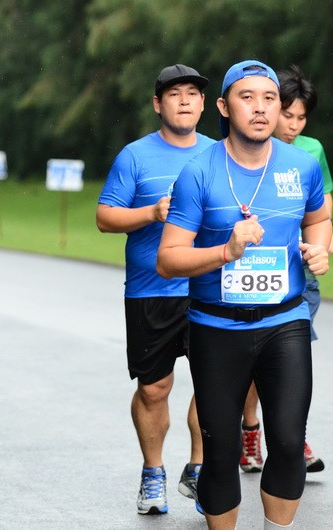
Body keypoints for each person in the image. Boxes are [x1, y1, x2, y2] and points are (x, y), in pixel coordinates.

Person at [157, 60, 331, 529]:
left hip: (285, 322)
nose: (260, 108)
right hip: (216, 327)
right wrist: (226, 251)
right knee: (221, 452)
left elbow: (319, 218)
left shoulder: (302, 165)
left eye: (269, 98)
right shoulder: (199, 172)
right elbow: (168, 259)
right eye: (247, 97)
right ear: (224, 107)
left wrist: (319, 247)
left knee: (289, 442)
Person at [96, 64, 215, 515]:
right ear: (157, 104)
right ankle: (153, 472)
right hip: (152, 291)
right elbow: (105, 217)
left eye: (192, 94)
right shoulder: (135, 156)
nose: (184, 101)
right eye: (174, 94)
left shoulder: (219, 154)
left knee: (213, 384)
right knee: (154, 389)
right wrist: (152, 212)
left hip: (208, 287)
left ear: (204, 104)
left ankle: (199, 469)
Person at [240, 65, 333, 474]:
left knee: (291, 362)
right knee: (252, 363)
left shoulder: (311, 152)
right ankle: (250, 432)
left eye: (301, 118)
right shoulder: (244, 150)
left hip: (299, 276)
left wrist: (323, 242)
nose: (293, 126)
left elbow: (324, 211)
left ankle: (294, 437)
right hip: (250, 269)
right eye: (288, 115)